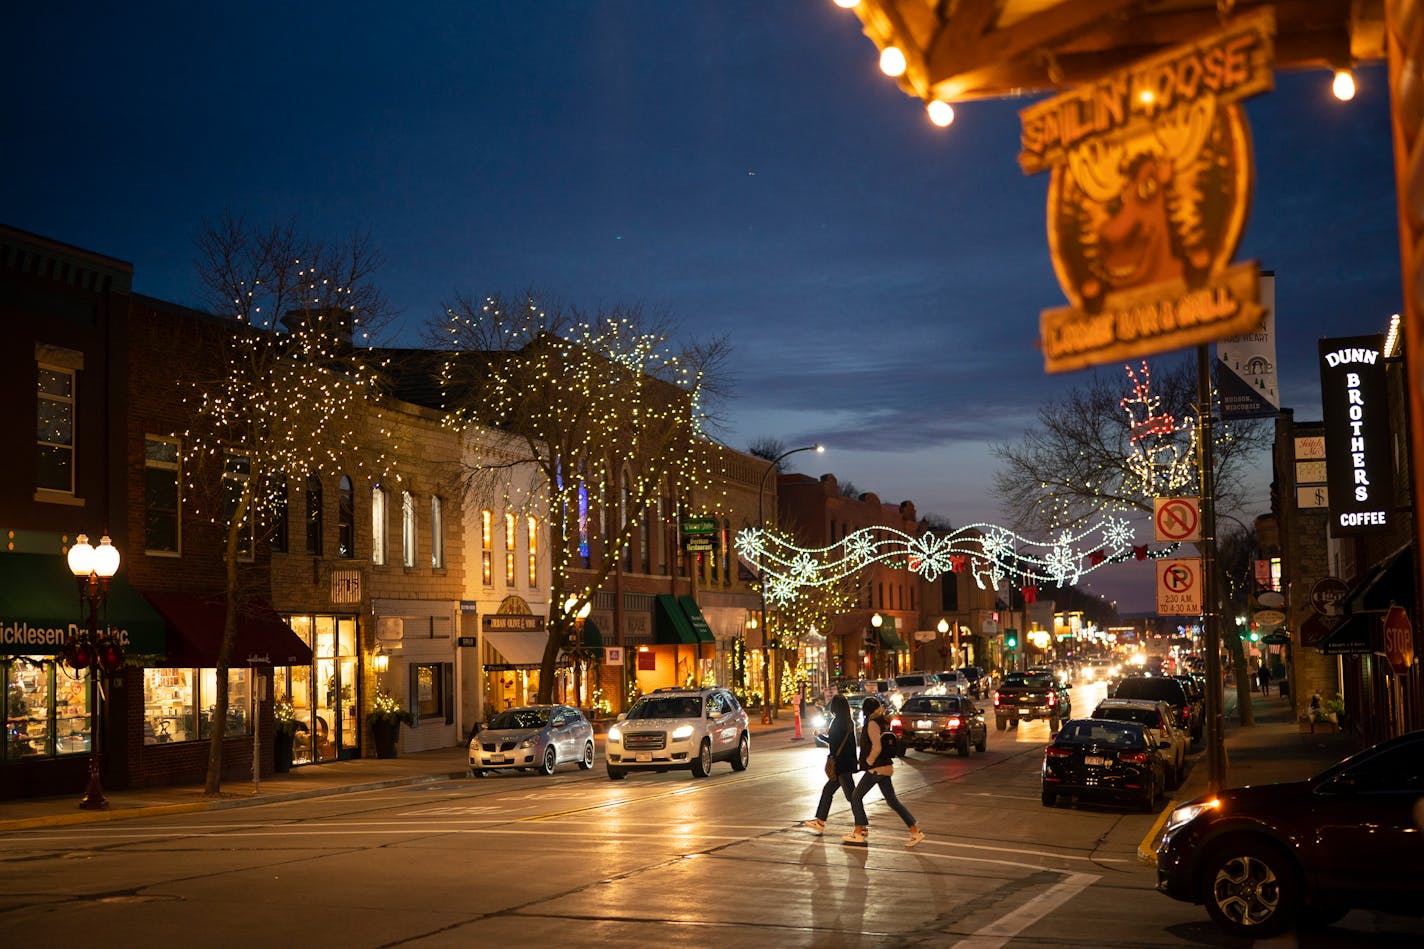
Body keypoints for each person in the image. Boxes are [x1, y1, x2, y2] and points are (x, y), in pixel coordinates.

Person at [843, 695, 925, 848]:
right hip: (885, 767)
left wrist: (868, 762)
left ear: (866, 711)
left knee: (855, 796)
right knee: (892, 801)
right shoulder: (882, 722)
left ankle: (859, 832)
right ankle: (915, 831)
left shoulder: (872, 724)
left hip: (876, 768)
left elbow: (877, 747)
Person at [802, 693, 865, 835]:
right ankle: (820, 821)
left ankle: (862, 825)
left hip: (840, 766)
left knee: (852, 797)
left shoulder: (837, 722)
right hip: (847, 763)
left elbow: (834, 742)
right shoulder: (849, 722)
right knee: (830, 792)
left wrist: (820, 735)